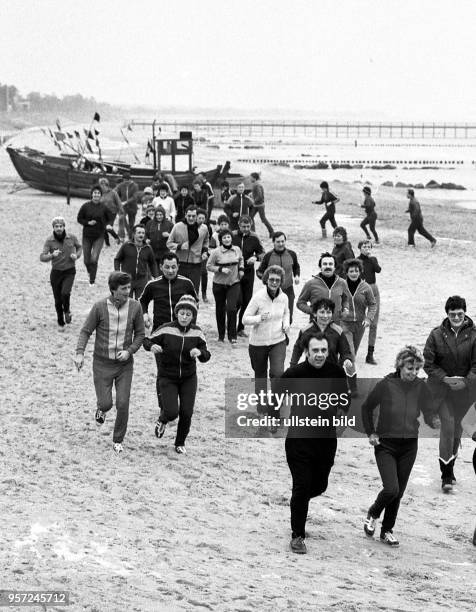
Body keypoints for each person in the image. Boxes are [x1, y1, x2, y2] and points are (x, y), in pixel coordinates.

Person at [278, 333, 350, 554]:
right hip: (299, 440)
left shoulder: (336, 372)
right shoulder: (294, 374)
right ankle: (297, 535)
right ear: (307, 352)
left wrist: (342, 416)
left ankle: (297, 505)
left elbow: (344, 400)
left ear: (328, 352)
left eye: (323, 350)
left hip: (326, 440)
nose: (319, 355)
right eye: (315, 351)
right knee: (301, 486)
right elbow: (275, 397)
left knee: (319, 486)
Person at [362, 346, 440, 547]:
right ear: (400, 365)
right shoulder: (386, 384)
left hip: (409, 446)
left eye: (417, 369)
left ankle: (387, 531)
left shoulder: (421, 386)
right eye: (409, 368)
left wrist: (434, 420)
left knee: (400, 492)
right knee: (391, 489)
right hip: (385, 444)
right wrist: (371, 432)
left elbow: (428, 410)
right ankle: (373, 513)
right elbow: (366, 407)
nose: (413, 373)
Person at [74, 271, 145, 454]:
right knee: (106, 403)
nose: (127, 291)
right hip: (102, 363)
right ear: (113, 290)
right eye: (123, 288)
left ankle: (118, 439)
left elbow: (140, 335)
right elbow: (85, 331)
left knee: (123, 403)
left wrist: (129, 352)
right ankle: (101, 410)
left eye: (129, 287)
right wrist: (80, 353)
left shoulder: (136, 307)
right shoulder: (99, 307)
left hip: (124, 366)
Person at [143, 295, 210, 453]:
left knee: (187, 412)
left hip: (188, 378)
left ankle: (180, 443)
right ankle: (163, 420)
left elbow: (207, 355)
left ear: (193, 316)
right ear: (176, 313)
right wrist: (152, 346)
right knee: (172, 412)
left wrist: (199, 352)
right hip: (168, 377)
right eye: (182, 313)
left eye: (188, 314)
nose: (184, 317)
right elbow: (147, 340)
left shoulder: (197, 332)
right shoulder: (166, 328)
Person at [423, 295, 476, 491]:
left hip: (465, 391)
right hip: (441, 390)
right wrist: (444, 378)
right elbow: (428, 363)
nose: (456, 317)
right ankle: (445, 474)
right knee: (448, 426)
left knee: (458, 431)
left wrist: (466, 381)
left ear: (465, 313)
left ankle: (450, 468)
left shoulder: (475, 334)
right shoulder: (436, 334)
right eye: (452, 314)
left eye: (459, 314)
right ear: (447, 314)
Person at [140, 252, 198, 409]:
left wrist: (192, 328)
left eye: (173, 267)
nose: (170, 271)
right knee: (162, 371)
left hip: (183, 333)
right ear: (160, 267)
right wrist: (145, 314)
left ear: (178, 267)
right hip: (161, 334)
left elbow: (195, 305)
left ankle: (182, 400)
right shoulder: (153, 284)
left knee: (183, 367)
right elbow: (142, 301)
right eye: (167, 267)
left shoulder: (187, 284)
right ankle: (164, 406)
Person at [242, 265, 290, 417]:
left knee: (278, 373)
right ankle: (262, 408)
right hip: (258, 343)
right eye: (271, 279)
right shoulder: (258, 297)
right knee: (260, 375)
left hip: (278, 340)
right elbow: (245, 319)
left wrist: (286, 323)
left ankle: (274, 408)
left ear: (281, 281)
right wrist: (258, 318)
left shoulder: (284, 297)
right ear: (266, 280)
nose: (274, 282)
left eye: (277, 280)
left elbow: (286, 312)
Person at [40, 216, 82, 330]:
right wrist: (52, 255)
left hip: (69, 271)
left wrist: (76, 256)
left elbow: (79, 247)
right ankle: (60, 319)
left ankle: (67, 311)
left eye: (61, 226)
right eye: (56, 226)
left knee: (65, 293)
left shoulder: (71, 238)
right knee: (57, 299)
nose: (59, 228)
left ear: (64, 227)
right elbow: (42, 257)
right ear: (53, 228)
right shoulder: (49, 240)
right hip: (56, 272)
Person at [290, 298, 352, 370]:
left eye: (328, 312)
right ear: (315, 313)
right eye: (322, 312)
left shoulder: (338, 331)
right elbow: (298, 349)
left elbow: (345, 351)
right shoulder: (306, 331)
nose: (325, 316)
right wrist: (293, 366)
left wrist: (347, 360)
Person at [207, 229, 244, 343]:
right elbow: (208, 266)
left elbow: (241, 259)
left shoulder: (237, 249)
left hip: (234, 283)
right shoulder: (216, 252)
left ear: (231, 238)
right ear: (221, 240)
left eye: (228, 237)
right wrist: (220, 269)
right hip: (219, 284)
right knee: (220, 309)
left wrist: (241, 269)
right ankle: (221, 335)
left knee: (232, 308)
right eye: (224, 238)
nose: (227, 239)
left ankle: (232, 336)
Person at [257, 232, 300, 324]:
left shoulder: (292, 254)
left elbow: (296, 267)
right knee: (273, 318)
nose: (281, 244)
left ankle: (285, 337)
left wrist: (296, 276)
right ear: (273, 242)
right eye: (278, 242)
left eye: (282, 241)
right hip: (272, 291)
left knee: (288, 318)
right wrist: (266, 281)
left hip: (288, 289)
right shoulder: (268, 256)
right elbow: (259, 272)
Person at [232, 215, 265, 336]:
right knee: (237, 300)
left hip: (248, 272)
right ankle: (230, 325)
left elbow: (263, 254)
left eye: (248, 226)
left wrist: (255, 257)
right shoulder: (233, 235)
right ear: (239, 225)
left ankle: (240, 328)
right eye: (243, 226)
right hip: (234, 272)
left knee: (246, 301)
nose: (245, 229)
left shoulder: (254, 237)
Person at [296, 252, 349, 324]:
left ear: (334, 267)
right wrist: (313, 311)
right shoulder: (311, 284)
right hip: (316, 325)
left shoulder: (342, 283)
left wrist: (346, 309)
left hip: (336, 325)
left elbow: (346, 299)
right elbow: (300, 303)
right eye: (325, 264)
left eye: (330, 264)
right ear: (320, 267)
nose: (328, 266)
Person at [340, 258, 377, 362]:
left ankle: (342, 372)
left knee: (353, 354)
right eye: (351, 271)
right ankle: (347, 376)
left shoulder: (366, 287)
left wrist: (369, 319)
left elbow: (372, 304)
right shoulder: (341, 286)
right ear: (346, 272)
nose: (354, 273)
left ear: (360, 272)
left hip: (360, 325)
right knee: (350, 353)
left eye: (356, 271)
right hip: (345, 324)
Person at [166, 205, 209, 293]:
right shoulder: (177, 226)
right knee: (179, 290)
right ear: (185, 215)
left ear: (197, 216)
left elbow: (206, 241)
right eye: (189, 216)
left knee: (194, 291)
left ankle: (194, 306)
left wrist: (204, 251)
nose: (191, 218)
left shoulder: (204, 228)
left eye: (193, 216)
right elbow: (169, 243)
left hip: (196, 264)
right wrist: (179, 246)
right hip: (181, 263)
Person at [77, 185, 113, 286]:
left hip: (99, 236)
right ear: (91, 194)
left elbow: (110, 218)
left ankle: (92, 281)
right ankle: (90, 272)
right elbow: (79, 218)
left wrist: (109, 225)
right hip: (87, 236)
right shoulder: (85, 206)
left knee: (94, 259)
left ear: (100, 195)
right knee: (86, 260)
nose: (96, 194)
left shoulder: (104, 207)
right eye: (95, 193)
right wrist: (88, 223)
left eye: (98, 193)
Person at [114, 224, 158, 299]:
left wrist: (156, 277)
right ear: (134, 234)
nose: (141, 235)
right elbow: (117, 259)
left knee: (140, 304)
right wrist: (118, 273)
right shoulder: (126, 245)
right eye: (139, 233)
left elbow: (153, 263)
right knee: (127, 303)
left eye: (143, 233)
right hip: (127, 279)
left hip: (142, 280)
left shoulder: (148, 248)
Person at [357, 239, 382, 365]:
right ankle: (352, 350)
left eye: (369, 246)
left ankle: (370, 354)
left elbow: (378, 270)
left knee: (374, 323)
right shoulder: (357, 261)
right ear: (360, 248)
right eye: (364, 246)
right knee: (359, 321)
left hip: (374, 289)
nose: (367, 248)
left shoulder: (373, 259)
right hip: (362, 290)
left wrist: (371, 258)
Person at [145, 205, 174, 270]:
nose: (159, 217)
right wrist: (146, 239)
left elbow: (175, 236)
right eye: (157, 215)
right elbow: (145, 234)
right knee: (153, 270)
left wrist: (169, 235)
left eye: (161, 215)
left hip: (165, 252)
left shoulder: (169, 224)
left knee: (163, 270)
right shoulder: (149, 223)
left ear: (164, 215)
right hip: (152, 252)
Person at [99, 177, 126, 244]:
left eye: (103, 185)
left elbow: (119, 202)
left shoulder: (113, 193)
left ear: (107, 185)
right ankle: (107, 243)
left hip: (112, 213)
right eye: (101, 185)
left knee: (108, 227)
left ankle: (116, 237)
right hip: (103, 213)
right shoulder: (100, 193)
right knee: (103, 229)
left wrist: (122, 211)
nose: (102, 186)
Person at [249, 172, 274, 238]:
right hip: (258, 205)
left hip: (259, 205)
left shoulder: (257, 185)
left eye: (250, 177)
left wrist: (253, 201)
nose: (250, 179)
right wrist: (251, 194)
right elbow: (258, 193)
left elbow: (259, 196)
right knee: (250, 217)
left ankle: (271, 231)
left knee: (263, 219)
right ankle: (253, 232)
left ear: (254, 178)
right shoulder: (256, 184)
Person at [115, 170, 139, 239]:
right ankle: (124, 234)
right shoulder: (121, 185)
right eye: (124, 180)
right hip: (124, 207)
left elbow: (134, 197)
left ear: (130, 180)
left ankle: (130, 235)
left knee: (131, 222)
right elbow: (115, 191)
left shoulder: (135, 186)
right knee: (121, 218)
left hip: (132, 206)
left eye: (127, 181)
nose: (125, 182)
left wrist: (126, 202)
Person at [196, 208, 212, 302]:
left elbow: (207, 240)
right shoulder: (191, 226)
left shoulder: (206, 227)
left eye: (203, 218)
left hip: (203, 254)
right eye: (199, 218)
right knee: (195, 274)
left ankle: (204, 294)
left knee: (204, 273)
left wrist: (205, 251)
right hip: (193, 254)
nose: (201, 220)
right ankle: (195, 293)